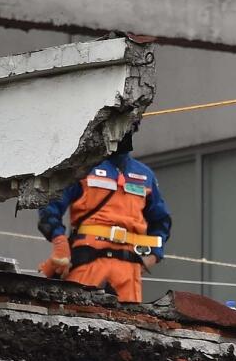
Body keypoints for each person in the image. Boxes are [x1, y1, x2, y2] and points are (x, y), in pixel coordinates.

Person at [36, 125, 171, 303]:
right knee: (80, 319)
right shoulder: (83, 168)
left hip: (128, 270)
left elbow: (161, 221)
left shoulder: (145, 175)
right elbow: (49, 205)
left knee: (128, 326)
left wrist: (154, 254)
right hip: (88, 261)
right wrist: (60, 242)